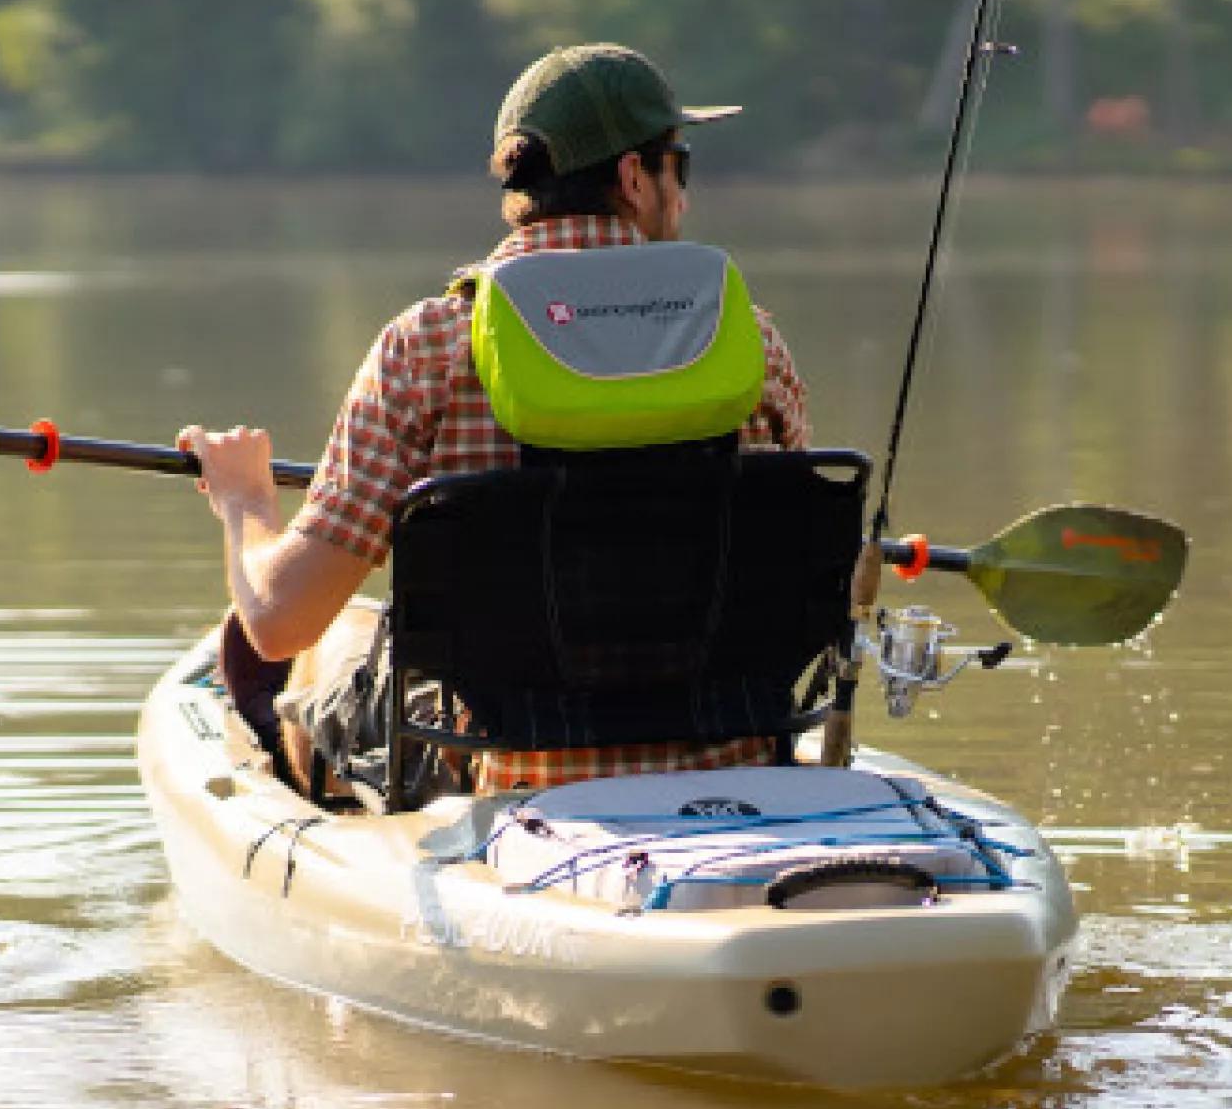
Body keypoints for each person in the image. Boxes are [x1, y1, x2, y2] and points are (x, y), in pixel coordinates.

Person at [177, 43, 809, 798]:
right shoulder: (751, 344)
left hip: (504, 773)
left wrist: (244, 500)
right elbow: (799, 568)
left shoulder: (429, 347)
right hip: (727, 754)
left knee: (329, 638)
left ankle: (319, 787)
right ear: (634, 178)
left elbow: (279, 622)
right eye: (682, 165)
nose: (686, 192)